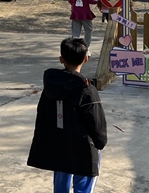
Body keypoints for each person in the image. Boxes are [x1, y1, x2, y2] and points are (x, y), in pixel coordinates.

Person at [27, 37, 107, 193]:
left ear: (61, 59)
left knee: (61, 175)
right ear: (85, 59)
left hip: (59, 144)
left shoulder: (50, 86)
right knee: (83, 183)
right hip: (83, 148)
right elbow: (97, 122)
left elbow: (43, 116)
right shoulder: (87, 90)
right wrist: (100, 142)